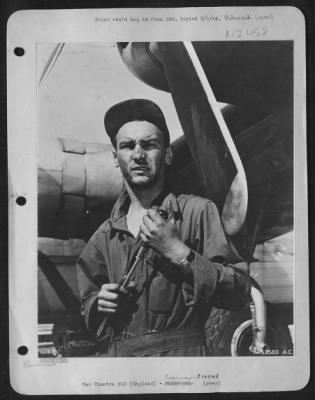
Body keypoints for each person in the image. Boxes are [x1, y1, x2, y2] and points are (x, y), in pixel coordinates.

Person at [76, 99, 251, 357]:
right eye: (127, 146)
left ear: (167, 154)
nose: (138, 155)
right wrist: (99, 303)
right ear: (115, 157)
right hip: (121, 364)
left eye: (149, 145)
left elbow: (237, 291)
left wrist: (180, 253)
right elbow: (89, 307)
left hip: (182, 363)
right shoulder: (104, 235)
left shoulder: (198, 212)